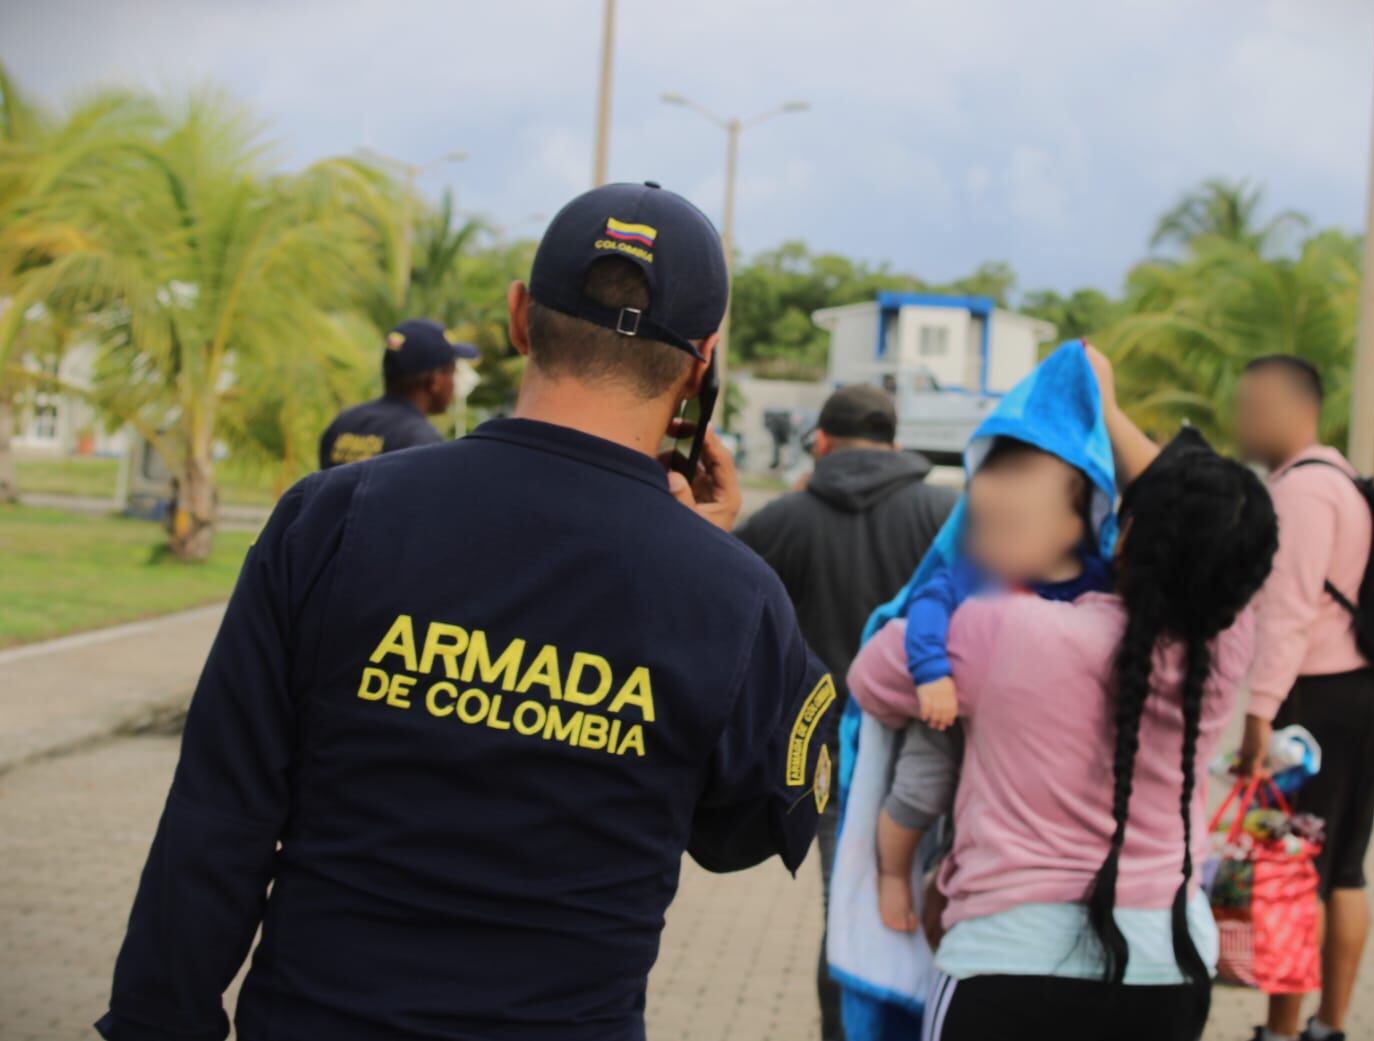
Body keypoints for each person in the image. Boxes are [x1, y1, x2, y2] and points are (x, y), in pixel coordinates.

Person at [96, 182, 836, 1041]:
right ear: (702, 361)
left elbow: (217, 820)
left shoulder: (331, 518)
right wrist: (698, 565)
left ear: (521, 316)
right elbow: (741, 827)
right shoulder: (735, 597)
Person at [848, 411, 1278, 1041]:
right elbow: (1215, 534)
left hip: (1007, 965)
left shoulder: (1002, 628)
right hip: (1171, 970)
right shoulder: (1224, 652)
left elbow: (870, 678)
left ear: (1122, 535)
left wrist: (1091, 399)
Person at [736, 383, 956, 1041]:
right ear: (894, 442)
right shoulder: (946, 514)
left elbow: (726, 608)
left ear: (822, 441)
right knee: (943, 906)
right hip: (938, 750)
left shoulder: (783, 518)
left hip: (827, 756)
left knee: (850, 915)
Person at [875, 437, 1113, 934]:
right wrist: (932, 672)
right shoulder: (975, 573)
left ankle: (948, 885)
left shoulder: (1095, 584)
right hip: (950, 711)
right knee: (921, 788)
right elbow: (927, 606)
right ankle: (893, 873)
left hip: (1033, 735)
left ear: (1072, 525)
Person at [1233, 354, 1374, 1041]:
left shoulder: (1298, 493)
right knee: (1344, 867)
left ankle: (1283, 1030)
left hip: (1311, 702)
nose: (1241, 421)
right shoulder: (1342, 479)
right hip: (1363, 690)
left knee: (1296, 869)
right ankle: (1330, 1024)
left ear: (1294, 408)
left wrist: (1259, 714)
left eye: (1249, 406)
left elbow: (1286, 613)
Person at [317, 318, 479, 468]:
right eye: (452, 372)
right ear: (435, 381)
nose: (454, 381)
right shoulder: (421, 441)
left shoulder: (343, 423)